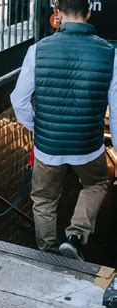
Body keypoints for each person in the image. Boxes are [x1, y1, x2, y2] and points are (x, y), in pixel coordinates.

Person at [10, 0, 116, 260]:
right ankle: (75, 236)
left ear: (57, 13)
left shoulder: (38, 50)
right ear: (89, 13)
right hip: (88, 147)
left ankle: (48, 253)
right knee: (96, 184)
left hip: (48, 149)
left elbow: (18, 100)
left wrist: (38, 127)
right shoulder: (110, 53)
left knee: (44, 200)